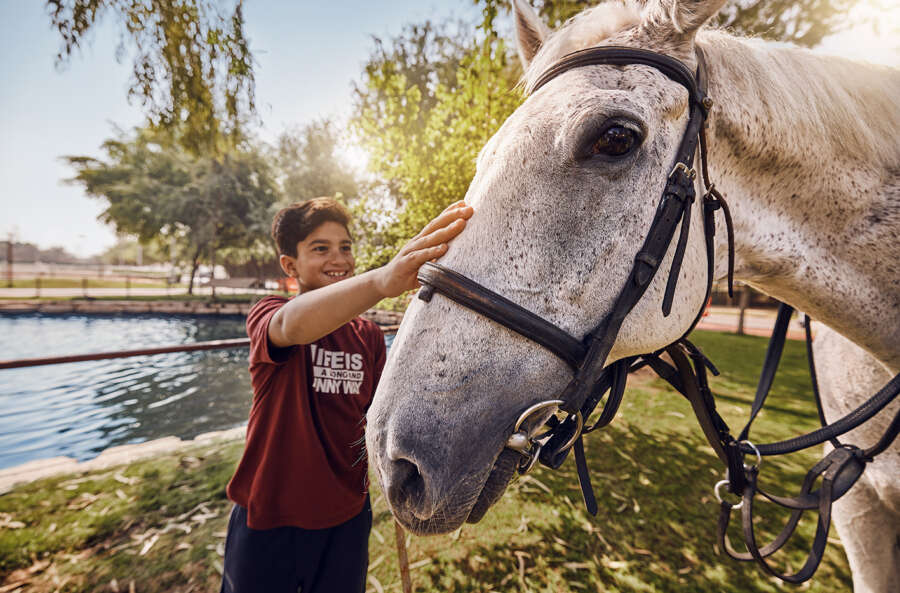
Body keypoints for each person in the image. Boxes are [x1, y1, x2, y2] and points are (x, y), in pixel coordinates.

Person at [220, 197, 473, 593]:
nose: (338, 258)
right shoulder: (269, 313)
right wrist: (380, 281)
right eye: (320, 248)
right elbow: (291, 324)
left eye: (345, 247)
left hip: (347, 518)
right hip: (269, 518)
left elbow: (379, 417)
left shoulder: (368, 336)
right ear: (291, 266)